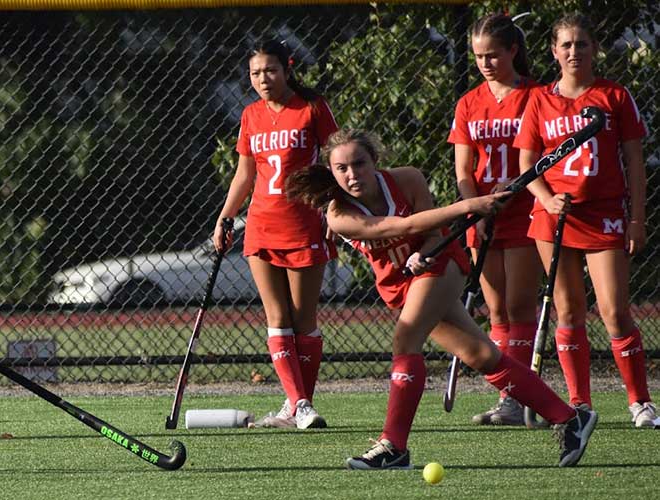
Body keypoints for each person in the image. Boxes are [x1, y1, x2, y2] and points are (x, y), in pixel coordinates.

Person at [285, 129, 597, 469]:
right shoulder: (339, 215)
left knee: (405, 341)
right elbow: (399, 227)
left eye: (359, 164)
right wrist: (469, 206)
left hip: (441, 266)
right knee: (481, 356)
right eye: (341, 168)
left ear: (374, 161)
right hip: (399, 285)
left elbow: (432, 234)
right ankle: (569, 418)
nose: (352, 174)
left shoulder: (408, 179)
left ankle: (393, 447)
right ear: (331, 171)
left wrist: (425, 252)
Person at [513, 13, 657, 428]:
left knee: (614, 311)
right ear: (554, 51)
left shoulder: (614, 95)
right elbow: (528, 164)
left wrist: (636, 220)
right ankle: (579, 403)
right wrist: (546, 199)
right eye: (566, 45)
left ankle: (640, 402)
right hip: (554, 217)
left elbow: (634, 162)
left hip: (604, 214)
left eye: (581, 43)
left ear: (594, 48)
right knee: (569, 311)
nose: (574, 51)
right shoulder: (539, 100)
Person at [214, 39, 339, 429]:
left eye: (270, 70)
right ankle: (299, 405)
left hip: (303, 224)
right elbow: (244, 175)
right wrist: (225, 217)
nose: (263, 79)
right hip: (261, 225)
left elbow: (337, 162)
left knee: (304, 320)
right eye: (255, 73)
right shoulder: (250, 115)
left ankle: (297, 405)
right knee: (276, 317)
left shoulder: (312, 108)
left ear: (287, 68)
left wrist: (335, 211)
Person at [448, 13, 543, 426]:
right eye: (478, 56)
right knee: (497, 310)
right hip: (484, 214)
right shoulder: (469, 103)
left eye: (493, 55)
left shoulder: (536, 95)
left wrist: (517, 186)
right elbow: (463, 169)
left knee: (520, 307)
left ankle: (518, 398)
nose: (485, 63)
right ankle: (509, 396)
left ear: (513, 51)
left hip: (524, 211)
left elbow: (546, 154)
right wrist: (476, 209)